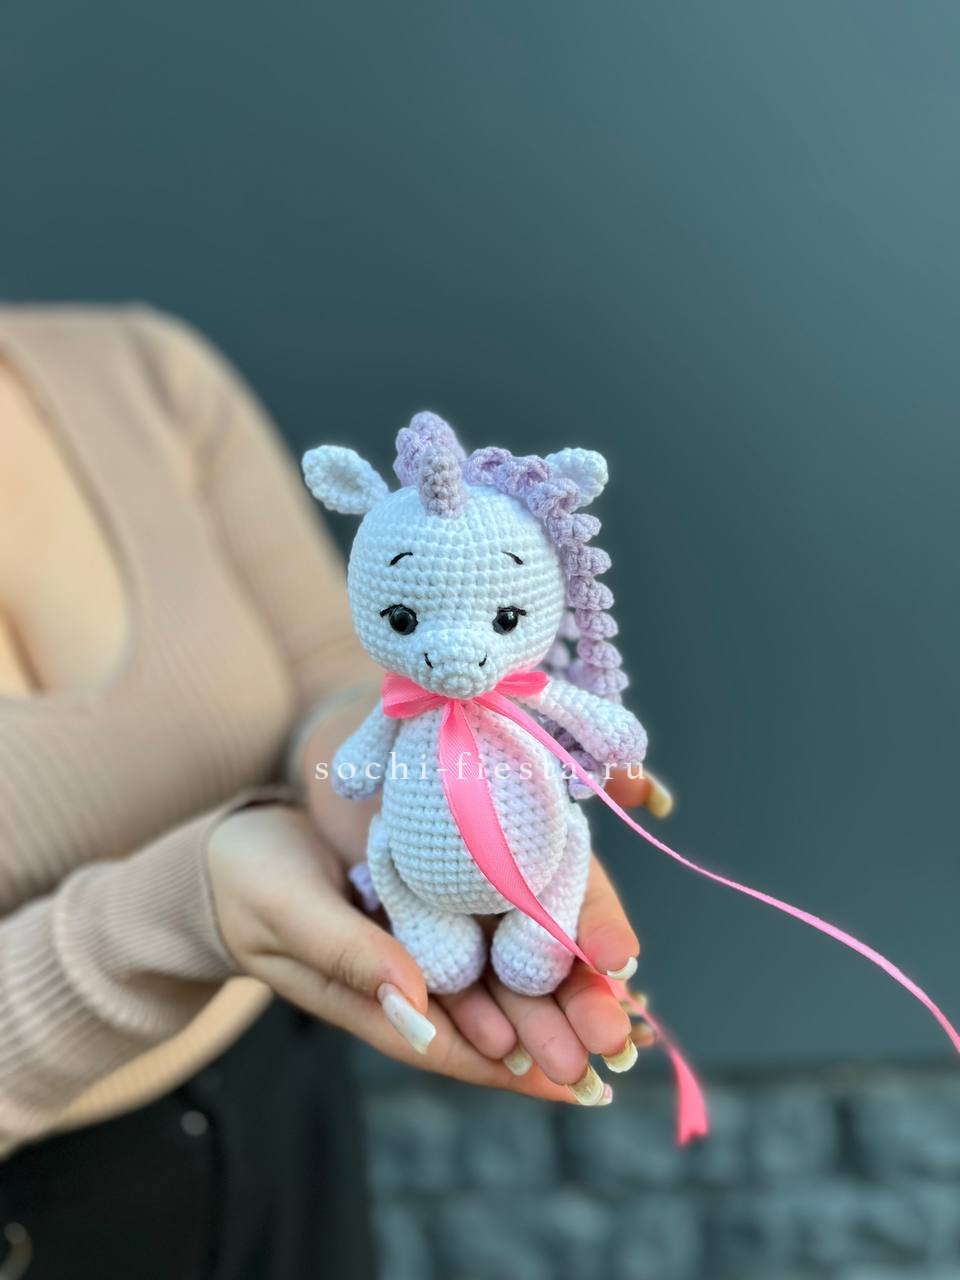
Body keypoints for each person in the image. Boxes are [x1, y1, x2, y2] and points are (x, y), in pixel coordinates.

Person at [0, 304, 649, 1279]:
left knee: (539, 872)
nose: (457, 650)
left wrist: (348, 760)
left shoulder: (145, 376)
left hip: (285, 1102)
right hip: (45, 1215)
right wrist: (186, 909)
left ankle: (528, 922)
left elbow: (331, 678)